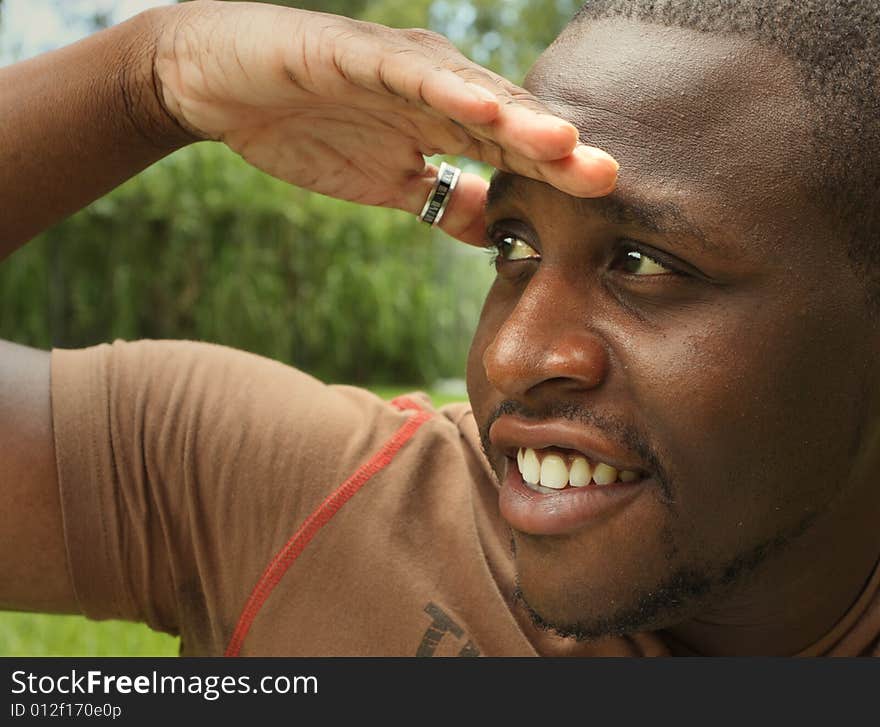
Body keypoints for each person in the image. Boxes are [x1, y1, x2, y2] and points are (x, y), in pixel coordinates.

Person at [1, 0, 878, 657]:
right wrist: (146, 83)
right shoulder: (306, 496)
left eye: (643, 264)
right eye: (514, 243)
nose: (512, 354)